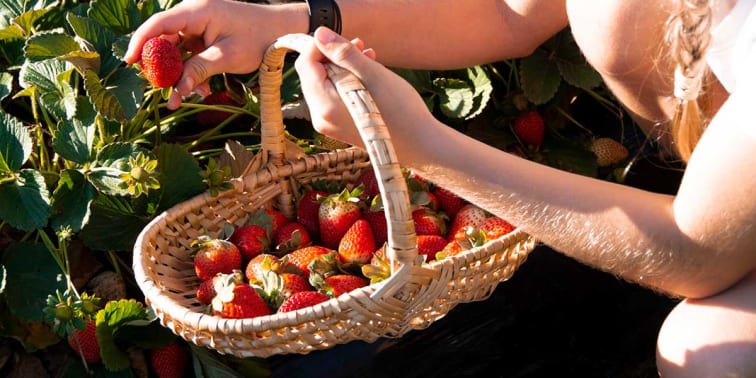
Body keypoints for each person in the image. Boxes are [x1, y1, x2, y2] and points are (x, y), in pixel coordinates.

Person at [124, 0, 756, 376]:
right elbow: (506, 10)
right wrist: (288, 20)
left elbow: (694, 250)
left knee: (707, 354)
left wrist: (419, 144)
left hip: (702, 236)